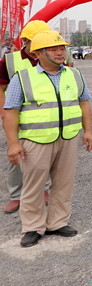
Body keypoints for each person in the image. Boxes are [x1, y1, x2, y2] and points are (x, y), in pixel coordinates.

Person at [3, 30, 92, 248]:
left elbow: (84, 103)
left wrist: (88, 131)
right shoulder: (22, 78)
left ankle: (57, 222)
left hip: (68, 138)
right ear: (38, 53)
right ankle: (33, 227)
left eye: (62, 48)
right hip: (36, 140)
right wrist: (13, 144)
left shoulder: (75, 74)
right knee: (33, 186)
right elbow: (11, 112)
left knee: (63, 182)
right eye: (53, 49)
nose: (61, 53)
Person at [1, 20, 52, 215]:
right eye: (36, 40)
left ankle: (44, 189)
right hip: (16, 115)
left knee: (44, 153)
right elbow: (1, 87)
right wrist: (4, 113)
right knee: (16, 154)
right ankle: (16, 195)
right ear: (25, 41)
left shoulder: (50, 57)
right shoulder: (9, 60)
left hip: (44, 115)